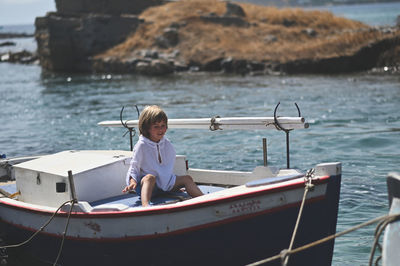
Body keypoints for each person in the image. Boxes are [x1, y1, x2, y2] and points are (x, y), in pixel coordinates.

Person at [122, 105, 203, 207]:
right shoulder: (141, 145)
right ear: (147, 128)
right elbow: (134, 167)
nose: (160, 129)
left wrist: (173, 184)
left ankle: (203, 199)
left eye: (163, 125)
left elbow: (166, 167)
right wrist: (132, 181)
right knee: (149, 178)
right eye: (156, 126)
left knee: (187, 179)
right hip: (148, 187)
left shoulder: (166, 143)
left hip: (165, 185)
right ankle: (145, 205)